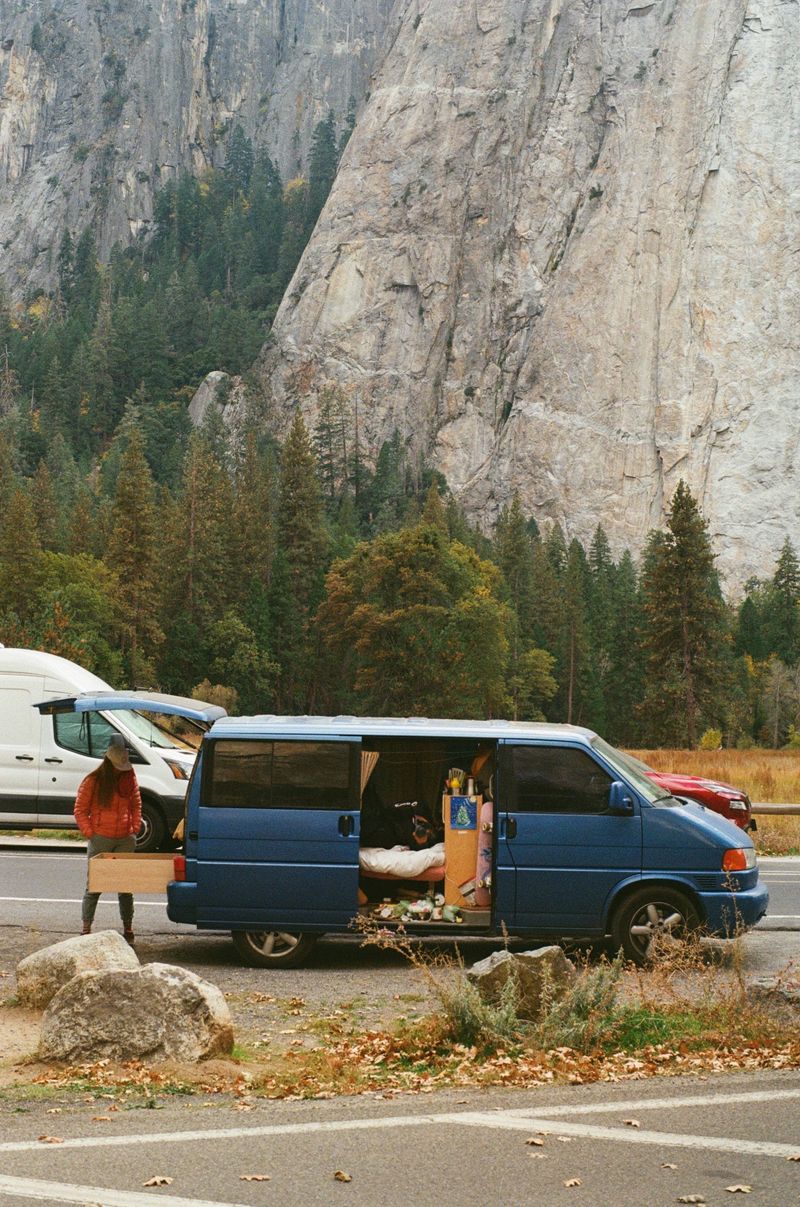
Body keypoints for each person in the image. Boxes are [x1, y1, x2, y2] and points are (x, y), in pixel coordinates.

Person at [74, 733, 142, 945]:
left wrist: (134, 828)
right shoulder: (93, 780)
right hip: (101, 837)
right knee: (94, 886)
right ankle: (86, 929)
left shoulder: (130, 777)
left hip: (124, 838)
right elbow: (80, 810)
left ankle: (128, 929)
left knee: (125, 887)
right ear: (110, 762)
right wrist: (91, 833)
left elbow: (136, 804)